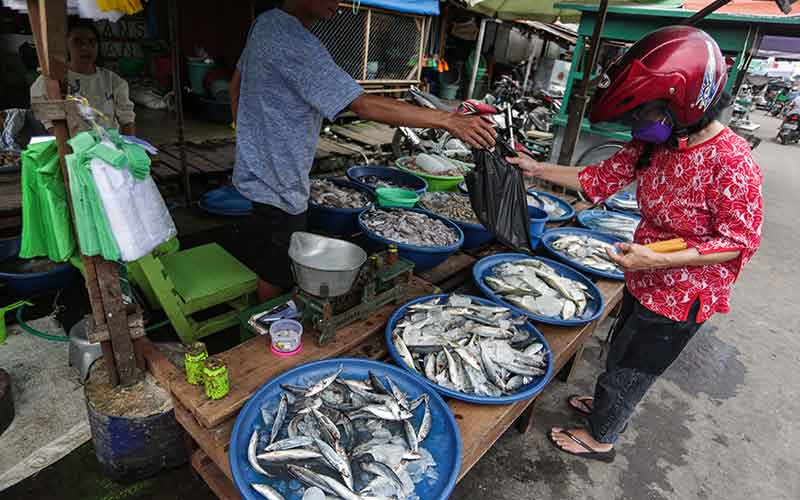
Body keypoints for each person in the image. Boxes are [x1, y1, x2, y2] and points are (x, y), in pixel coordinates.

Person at [507, 26, 762, 462]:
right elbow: (598, 179)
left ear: (687, 104)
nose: (640, 124)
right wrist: (537, 169)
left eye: (647, 113)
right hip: (643, 275)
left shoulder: (732, 161)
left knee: (634, 368)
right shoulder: (655, 145)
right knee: (620, 349)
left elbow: (738, 242)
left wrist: (657, 260)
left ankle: (602, 437)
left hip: (684, 293)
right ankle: (608, 405)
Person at [229, 0, 496, 300]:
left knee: (265, 250)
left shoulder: (265, 23)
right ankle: (271, 334)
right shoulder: (295, 41)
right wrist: (448, 120)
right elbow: (362, 104)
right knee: (275, 271)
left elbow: (235, 87)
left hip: (257, 172)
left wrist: (250, 139)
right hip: (280, 184)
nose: (340, 5)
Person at [30, 18, 135, 134]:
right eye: (77, 41)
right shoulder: (49, 82)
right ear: (65, 45)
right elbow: (50, 126)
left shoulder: (113, 81)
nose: (85, 47)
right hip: (69, 147)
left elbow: (127, 120)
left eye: (91, 41)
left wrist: (129, 148)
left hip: (108, 147)